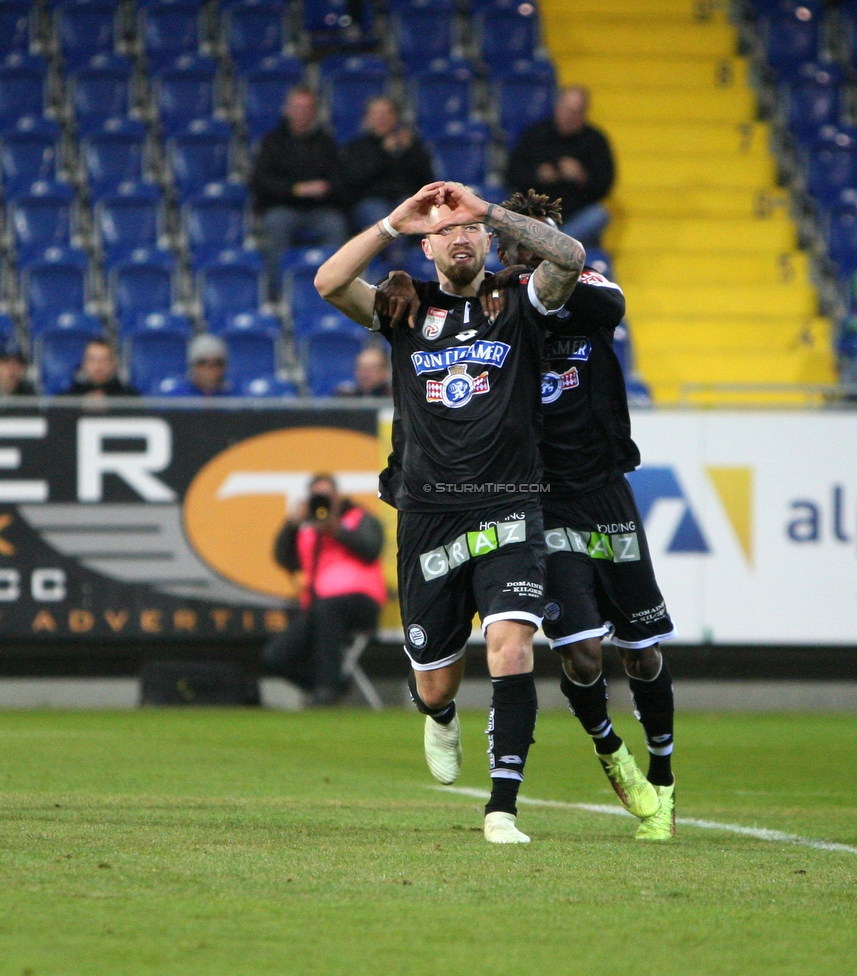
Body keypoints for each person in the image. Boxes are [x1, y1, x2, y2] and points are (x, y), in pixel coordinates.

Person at [378, 190, 674, 840]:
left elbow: (601, 297)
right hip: (521, 491)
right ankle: (602, 745)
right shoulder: (485, 301)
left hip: (590, 487)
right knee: (583, 656)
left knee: (638, 650)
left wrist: (508, 263)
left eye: (533, 237)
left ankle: (645, 777)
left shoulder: (550, 290)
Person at [314, 180, 585, 843]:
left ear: (488, 240)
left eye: (469, 229)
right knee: (436, 685)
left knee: (512, 645)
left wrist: (485, 208)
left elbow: (571, 258)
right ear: (428, 246)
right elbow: (327, 282)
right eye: (445, 230)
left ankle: (502, 806)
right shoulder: (406, 308)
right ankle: (438, 718)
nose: (459, 236)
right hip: (429, 513)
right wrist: (392, 221)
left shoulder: (517, 303)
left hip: (510, 504)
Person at [263, 474, 386, 705]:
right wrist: (292, 524)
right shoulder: (308, 530)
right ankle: (329, 686)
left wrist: (336, 530)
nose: (322, 503)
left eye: (326, 497)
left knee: (329, 610)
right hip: (319, 607)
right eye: (316, 498)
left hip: (360, 603)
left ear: (338, 497)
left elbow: (372, 549)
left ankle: (327, 688)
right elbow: (285, 559)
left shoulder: (359, 517)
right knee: (275, 656)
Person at [250, 85, 348, 293]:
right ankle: (278, 293)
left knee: (336, 225)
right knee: (276, 223)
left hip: (320, 208)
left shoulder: (327, 143)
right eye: (297, 107)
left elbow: (340, 180)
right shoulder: (272, 142)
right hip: (283, 207)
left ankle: (336, 290)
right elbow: (261, 182)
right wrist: (295, 190)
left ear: (315, 111)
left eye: (307, 108)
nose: (302, 113)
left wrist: (326, 188)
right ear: (287, 109)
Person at [505, 86, 615, 249]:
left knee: (600, 214)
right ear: (557, 106)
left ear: (584, 113)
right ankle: (557, 248)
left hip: (575, 219)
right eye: (565, 109)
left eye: (575, 112)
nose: (568, 116)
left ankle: (550, 248)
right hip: (536, 216)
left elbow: (604, 187)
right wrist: (538, 176)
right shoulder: (535, 134)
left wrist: (581, 176)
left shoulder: (595, 141)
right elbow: (511, 175)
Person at [341, 97, 435, 236]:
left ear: (396, 117)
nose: (382, 119)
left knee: (412, 213)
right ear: (367, 119)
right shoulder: (356, 147)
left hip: (405, 199)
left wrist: (409, 151)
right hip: (370, 202)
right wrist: (384, 154)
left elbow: (426, 179)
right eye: (376, 114)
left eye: (387, 114)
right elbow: (355, 180)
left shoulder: (410, 145)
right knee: (388, 221)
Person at [159, 334, 236, 397]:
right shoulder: (177, 398)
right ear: (192, 366)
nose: (210, 369)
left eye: (217, 363)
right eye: (203, 363)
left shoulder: (233, 398)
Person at [66, 338, 140, 397]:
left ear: (114, 365)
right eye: (92, 360)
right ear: (84, 364)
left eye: (104, 360)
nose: (98, 366)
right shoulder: (67, 400)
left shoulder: (129, 399)